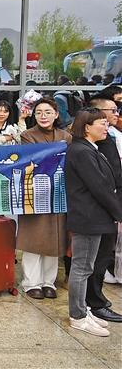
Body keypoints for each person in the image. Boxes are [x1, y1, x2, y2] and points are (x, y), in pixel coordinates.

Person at [65, 108, 122, 336]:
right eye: (101, 123)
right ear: (87, 127)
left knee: (86, 267)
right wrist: (119, 213)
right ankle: (78, 316)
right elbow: (100, 187)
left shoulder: (90, 148)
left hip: (93, 217)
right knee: (81, 267)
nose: (106, 127)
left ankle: (82, 309)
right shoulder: (81, 151)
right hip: (88, 217)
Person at [17, 97, 72, 300]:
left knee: (54, 237)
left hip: (58, 193)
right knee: (33, 239)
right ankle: (31, 283)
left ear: (56, 114)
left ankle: (49, 282)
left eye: (48, 112)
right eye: (39, 112)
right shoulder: (28, 135)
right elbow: (35, 160)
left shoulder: (66, 136)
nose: (43, 116)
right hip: (34, 193)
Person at [85, 96, 122, 322]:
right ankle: (94, 303)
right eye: (111, 111)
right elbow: (100, 184)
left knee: (104, 255)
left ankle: (97, 300)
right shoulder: (87, 148)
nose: (116, 114)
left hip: (111, 206)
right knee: (94, 260)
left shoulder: (109, 138)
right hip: (99, 210)